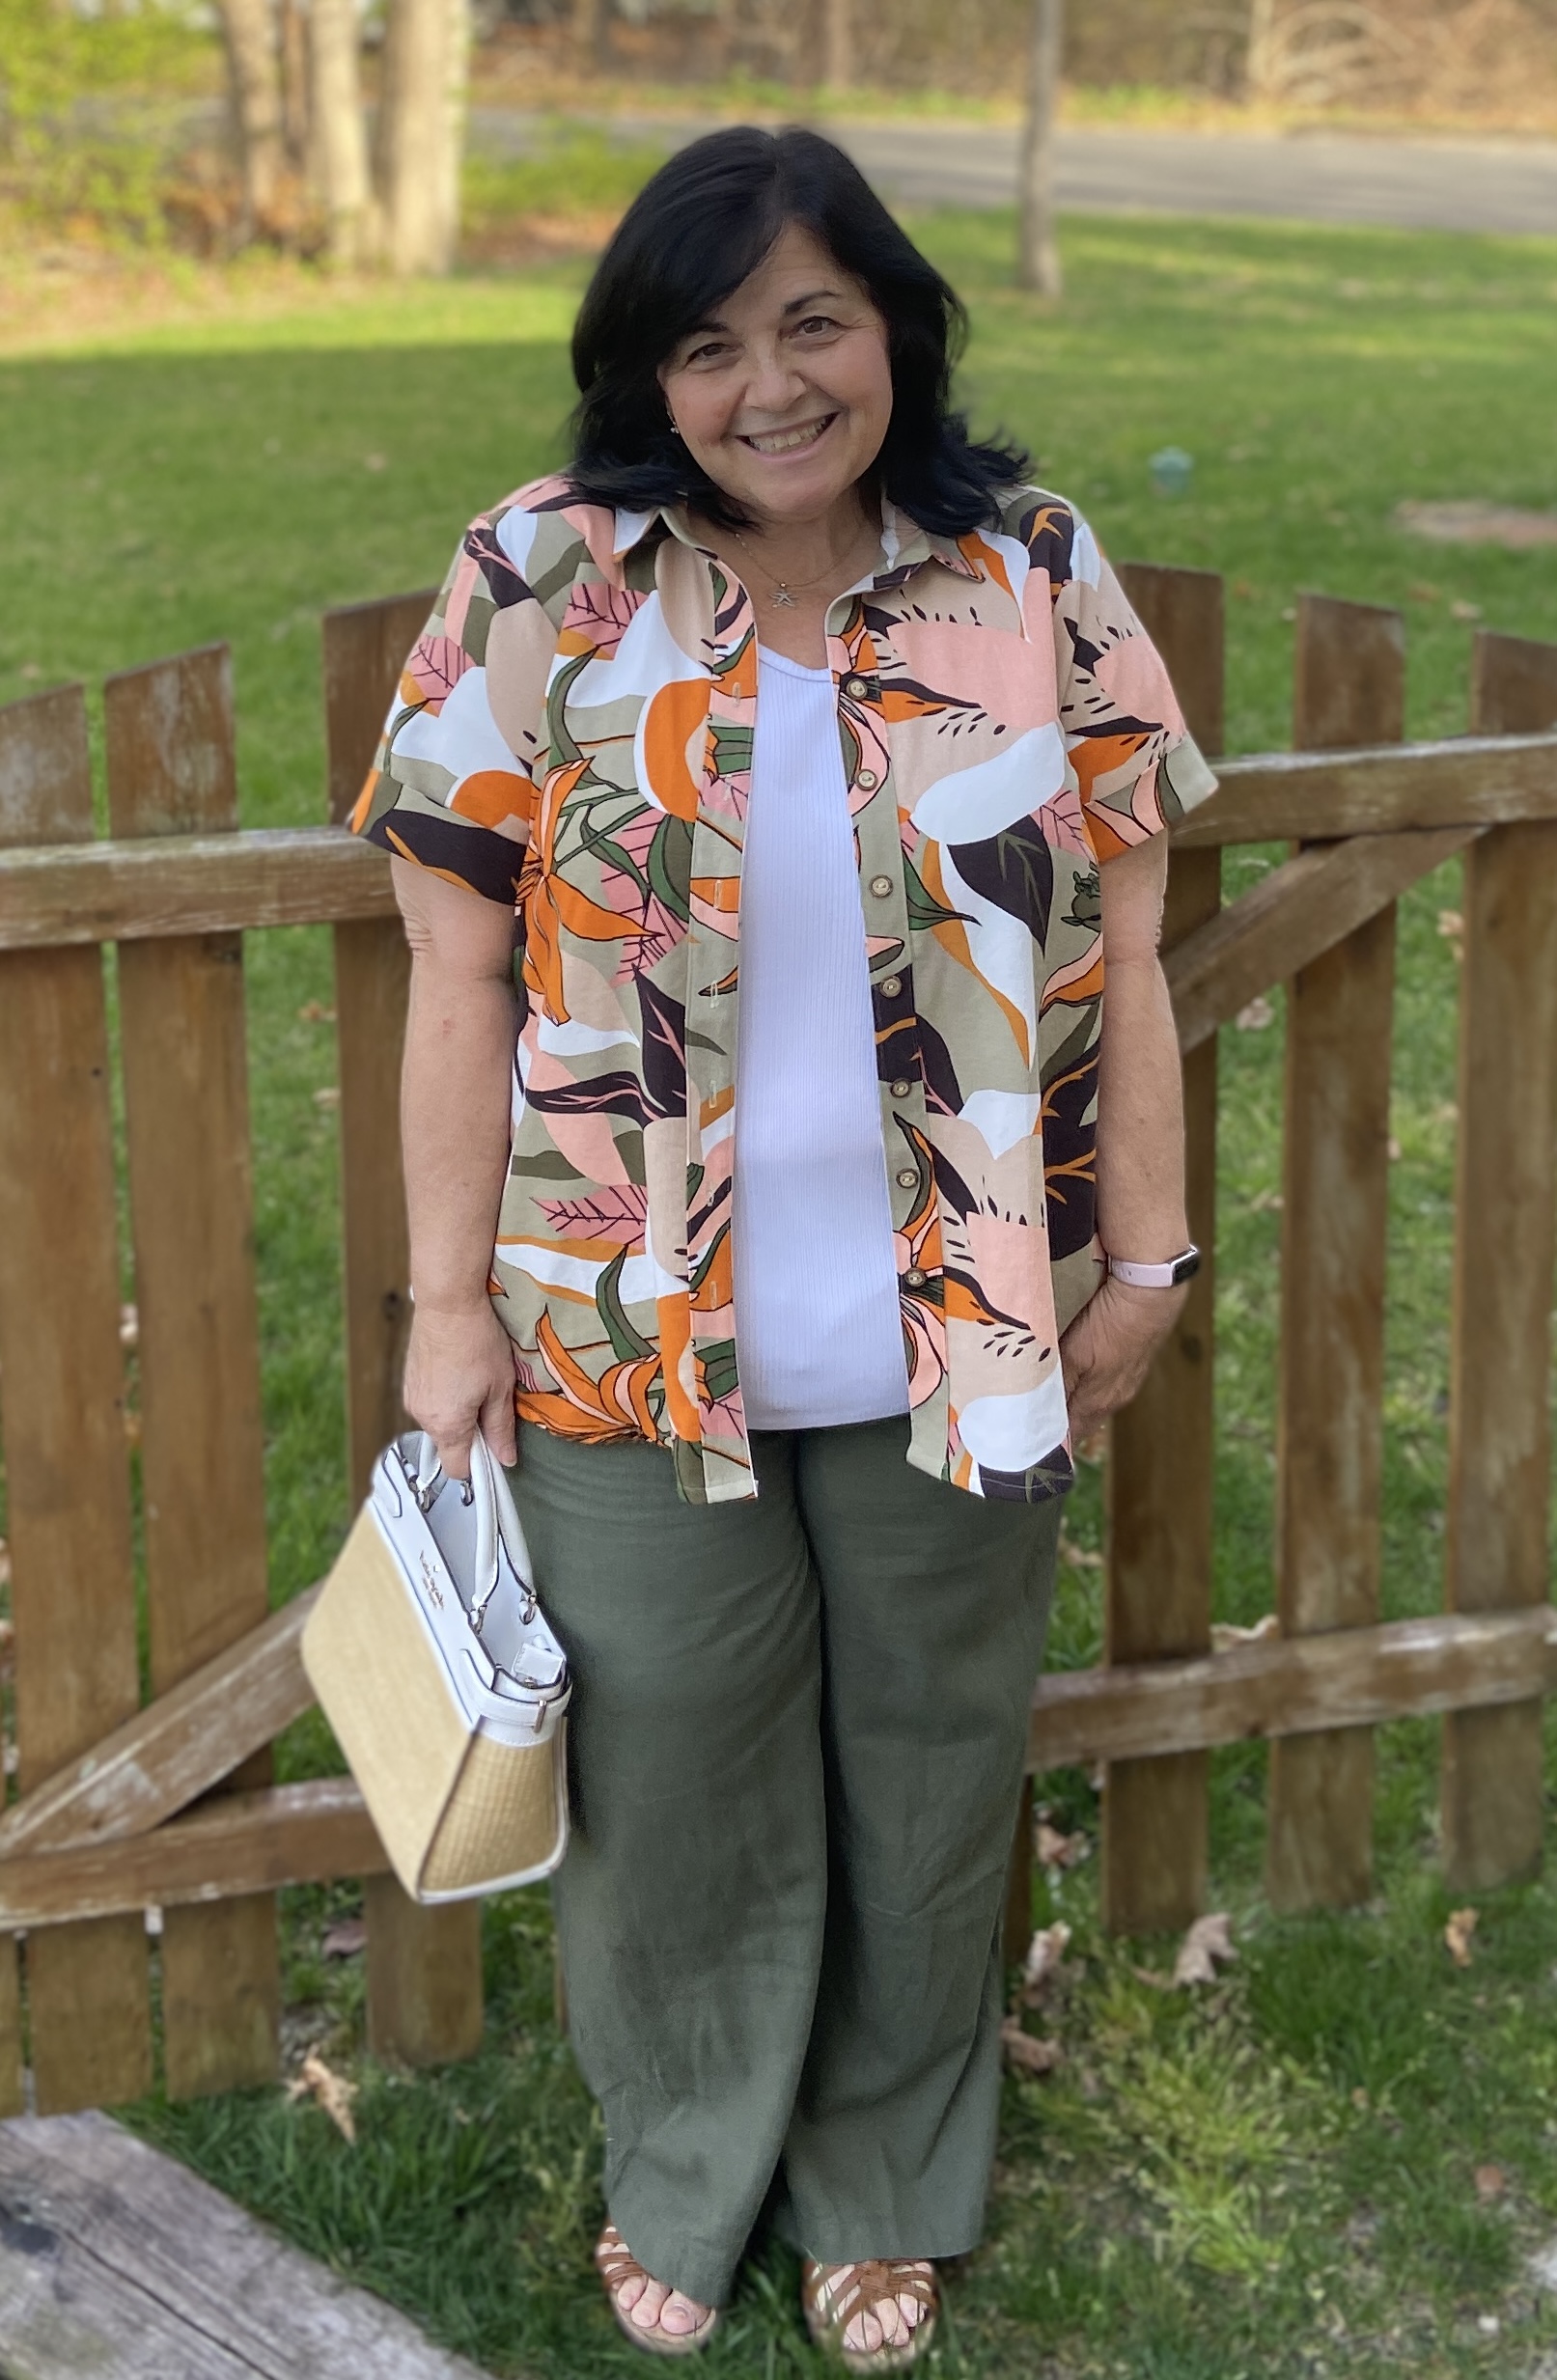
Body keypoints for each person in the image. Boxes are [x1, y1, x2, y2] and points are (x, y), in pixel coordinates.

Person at [352, 124, 1213, 2371]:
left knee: (932, 1768)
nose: (771, 386)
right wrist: (443, 1311)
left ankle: (884, 2182)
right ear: (649, 372)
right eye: (711, 343)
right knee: (672, 1784)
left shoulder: (1030, 567)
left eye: (815, 322)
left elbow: (1131, 942)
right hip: (624, 1322)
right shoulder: (542, 580)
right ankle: (688, 2164)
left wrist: (1147, 1265)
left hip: (969, 1319)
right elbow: (452, 973)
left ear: (896, 329)